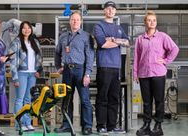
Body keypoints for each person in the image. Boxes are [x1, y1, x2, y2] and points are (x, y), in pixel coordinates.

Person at [133, 11, 179, 136]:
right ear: (145, 22)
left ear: (156, 22)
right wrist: (135, 74)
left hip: (158, 74)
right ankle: (146, 125)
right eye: (149, 20)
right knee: (146, 101)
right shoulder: (140, 39)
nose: (152, 22)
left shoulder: (163, 37)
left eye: (154, 20)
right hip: (143, 74)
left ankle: (158, 126)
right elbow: (136, 57)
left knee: (158, 101)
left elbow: (175, 49)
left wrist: (165, 60)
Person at [54, 11, 94, 135]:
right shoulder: (63, 36)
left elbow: (90, 56)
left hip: (80, 70)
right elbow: (57, 52)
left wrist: (87, 74)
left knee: (85, 100)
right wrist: (58, 67)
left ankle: (87, 126)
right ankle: (66, 124)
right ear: (69, 21)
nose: (75, 21)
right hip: (67, 71)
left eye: (77, 19)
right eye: (73, 19)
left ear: (81, 21)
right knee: (66, 99)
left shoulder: (86, 36)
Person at [93, 1, 130, 134]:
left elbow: (127, 42)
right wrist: (118, 41)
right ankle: (101, 126)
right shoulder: (99, 25)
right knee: (102, 97)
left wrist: (113, 39)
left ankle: (112, 126)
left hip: (117, 68)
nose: (110, 11)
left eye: (113, 9)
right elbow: (102, 43)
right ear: (104, 11)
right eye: (108, 8)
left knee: (114, 97)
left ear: (115, 12)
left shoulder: (119, 28)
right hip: (104, 66)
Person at [9, 21, 43, 131]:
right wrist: (15, 77)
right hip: (21, 73)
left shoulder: (35, 42)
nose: (26, 30)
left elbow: (39, 58)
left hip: (32, 74)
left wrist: (38, 70)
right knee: (20, 99)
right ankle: (19, 124)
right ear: (21, 30)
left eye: (28, 28)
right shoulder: (16, 42)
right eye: (24, 28)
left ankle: (27, 123)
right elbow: (12, 61)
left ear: (31, 30)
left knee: (28, 100)